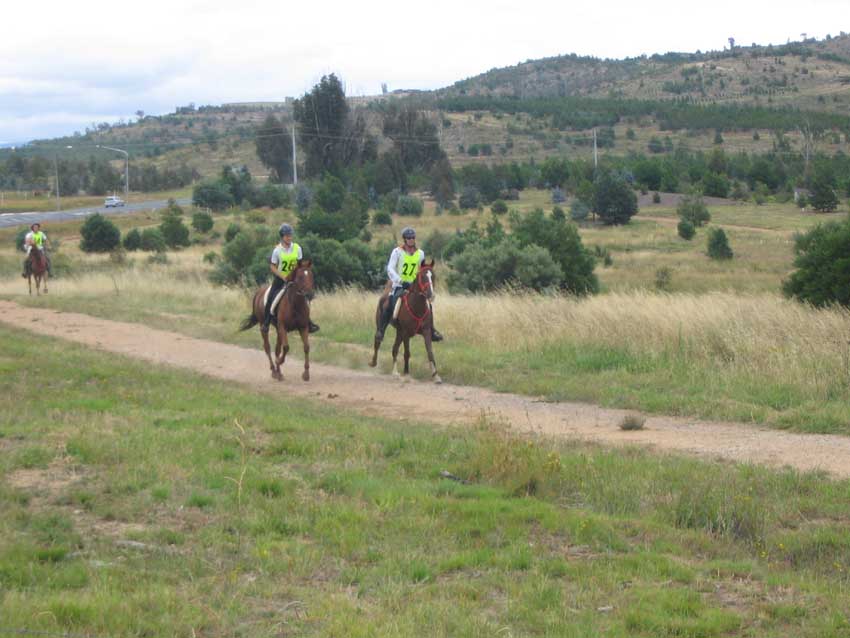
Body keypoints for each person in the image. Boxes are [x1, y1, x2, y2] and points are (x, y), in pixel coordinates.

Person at [376, 226, 443, 342]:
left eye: (413, 237)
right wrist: (400, 281)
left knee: (428, 304)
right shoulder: (397, 252)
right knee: (389, 302)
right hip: (400, 285)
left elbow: (421, 271)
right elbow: (390, 268)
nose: (411, 239)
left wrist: (423, 285)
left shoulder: (420, 253)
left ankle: (432, 330)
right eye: (409, 238)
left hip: (415, 287)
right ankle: (381, 330)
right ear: (404, 239)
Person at [261, 223, 319, 334]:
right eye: (287, 236)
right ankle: (266, 322)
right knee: (271, 298)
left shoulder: (297, 248)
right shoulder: (277, 250)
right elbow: (272, 266)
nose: (289, 237)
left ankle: (309, 322)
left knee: (305, 297)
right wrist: (283, 277)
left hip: (295, 279)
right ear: (282, 237)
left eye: (290, 235)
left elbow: (300, 265)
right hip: (281, 279)